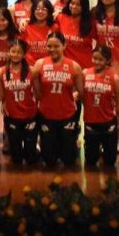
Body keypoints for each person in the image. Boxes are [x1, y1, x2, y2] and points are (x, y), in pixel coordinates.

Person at [33, 31, 83, 168]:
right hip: (46, 115)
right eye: (49, 46)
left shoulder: (74, 66)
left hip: (67, 115)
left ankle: (73, 143)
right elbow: (35, 86)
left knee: (69, 161)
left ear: (64, 46)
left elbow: (81, 92)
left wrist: (75, 95)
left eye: (56, 46)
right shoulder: (40, 64)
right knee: (49, 160)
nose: (52, 49)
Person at [81, 46, 119, 169]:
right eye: (94, 58)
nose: (96, 62)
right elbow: (80, 93)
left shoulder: (115, 79)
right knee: (91, 161)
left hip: (108, 123)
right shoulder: (85, 73)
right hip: (90, 122)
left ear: (108, 60)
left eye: (100, 59)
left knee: (110, 162)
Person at [1, 40, 39, 166]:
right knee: (16, 159)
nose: (15, 55)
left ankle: (34, 149)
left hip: (30, 115)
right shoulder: (1, 72)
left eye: (19, 52)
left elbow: (38, 93)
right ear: (8, 52)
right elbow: (1, 94)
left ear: (23, 54)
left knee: (31, 158)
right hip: (12, 116)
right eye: (13, 51)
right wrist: (3, 103)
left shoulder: (31, 71)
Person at [56, 0, 95, 69]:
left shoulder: (91, 22)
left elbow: (101, 41)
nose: (74, 6)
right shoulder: (61, 17)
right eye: (72, 3)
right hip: (66, 67)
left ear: (84, 7)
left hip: (85, 67)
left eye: (78, 5)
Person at [21, 0, 57, 65]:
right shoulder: (25, 26)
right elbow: (20, 47)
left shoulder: (55, 27)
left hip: (48, 65)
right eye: (37, 9)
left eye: (44, 9)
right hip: (28, 65)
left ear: (49, 11)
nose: (40, 11)